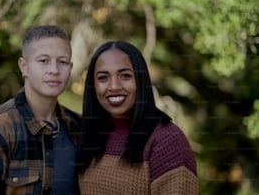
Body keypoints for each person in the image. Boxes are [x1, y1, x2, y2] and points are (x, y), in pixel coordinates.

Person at [0, 25, 81, 195]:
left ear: (71, 67)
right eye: (44, 60)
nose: (54, 70)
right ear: (24, 66)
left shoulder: (79, 127)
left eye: (63, 62)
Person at [77, 41, 198, 194]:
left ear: (140, 80)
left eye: (125, 76)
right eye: (103, 78)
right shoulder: (88, 134)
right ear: (92, 86)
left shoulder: (166, 139)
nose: (114, 86)